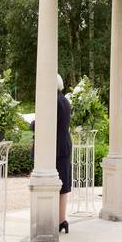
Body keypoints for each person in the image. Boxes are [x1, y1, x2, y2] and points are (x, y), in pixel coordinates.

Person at [55, 74, 72, 233]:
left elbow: (46, 124)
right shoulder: (64, 100)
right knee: (63, 185)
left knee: (55, 185)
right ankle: (62, 220)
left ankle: (57, 220)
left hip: (56, 149)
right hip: (64, 146)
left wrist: (33, 124)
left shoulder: (54, 101)